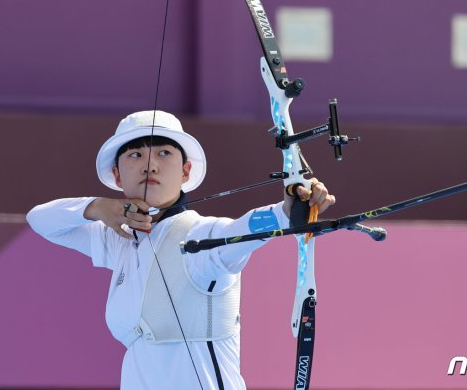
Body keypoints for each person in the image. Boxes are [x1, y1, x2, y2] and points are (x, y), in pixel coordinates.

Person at [26, 110, 335, 390]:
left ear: (186, 171)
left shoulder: (199, 236)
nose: (150, 164)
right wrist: (96, 207)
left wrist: (286, 211)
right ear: (118, 176)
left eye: (164, 153)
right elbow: (40, 219)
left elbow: (242, 230)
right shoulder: (118, 239)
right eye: (135, 154)